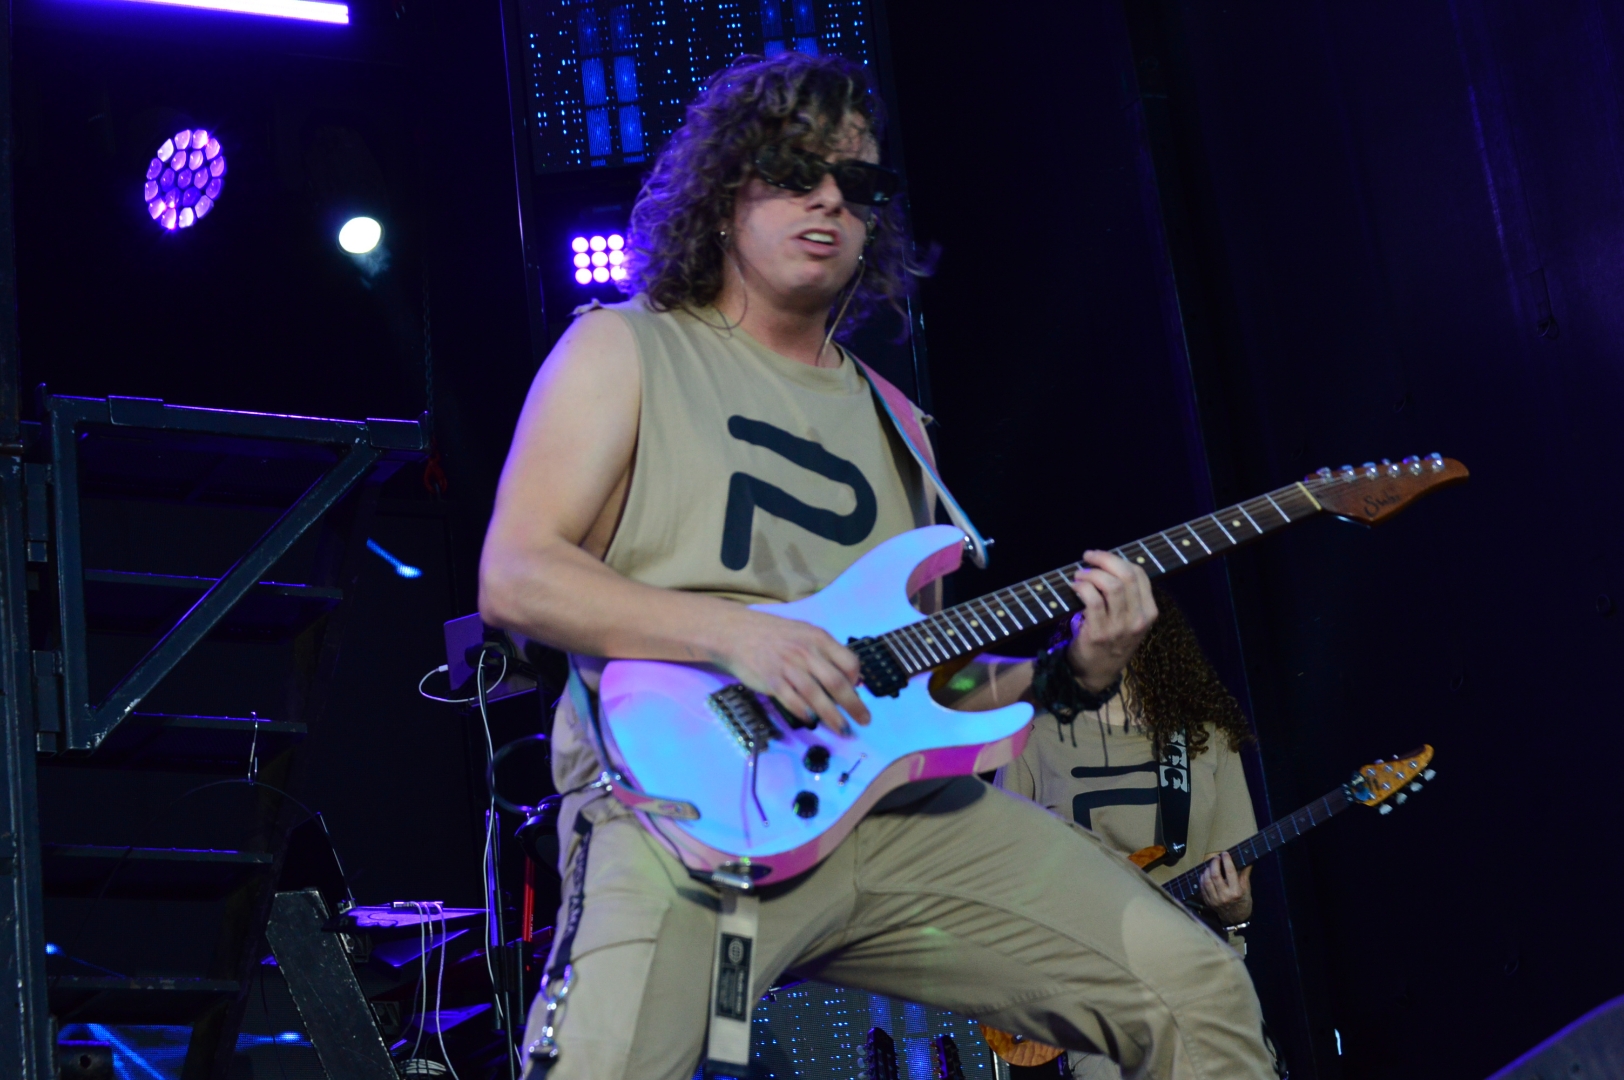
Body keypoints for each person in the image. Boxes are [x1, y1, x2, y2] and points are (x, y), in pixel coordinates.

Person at [478, 51, 1274, 1080]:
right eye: (792, 172)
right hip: (676, 809)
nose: (827, 202)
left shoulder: (901, 428)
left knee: (1195, 992)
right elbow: (516, 577)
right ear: (723, 193)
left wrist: (1078, 671)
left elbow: (923, 686)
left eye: (855, 186)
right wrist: (735, 631)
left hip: (893, 820)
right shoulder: (627, 348)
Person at [989, 593, 1264, 1079]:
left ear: (1143, 635)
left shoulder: (1204, 736)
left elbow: (1237, 897)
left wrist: (1235, 910)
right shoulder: (1030, 735)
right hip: (1099, 1000)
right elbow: (999, 872)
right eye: (1078, 629)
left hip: (1202, 983)